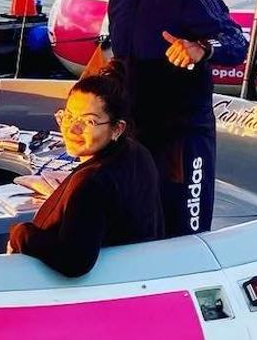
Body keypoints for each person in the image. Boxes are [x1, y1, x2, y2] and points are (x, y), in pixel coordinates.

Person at [85, 0, 247, 237]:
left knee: (187, 237)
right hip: (135, 140)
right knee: (139, 229)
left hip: (183, 143)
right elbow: (125, 62)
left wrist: (201, 48)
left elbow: (236, 42)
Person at [8, 62, 163, 277]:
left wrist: (21, 233)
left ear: (117, 128)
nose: (72, 128)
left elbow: (75, 261)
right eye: (69, 116)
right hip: (134, 275)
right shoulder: (137, 154)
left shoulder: (91, 183)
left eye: (89, 121)